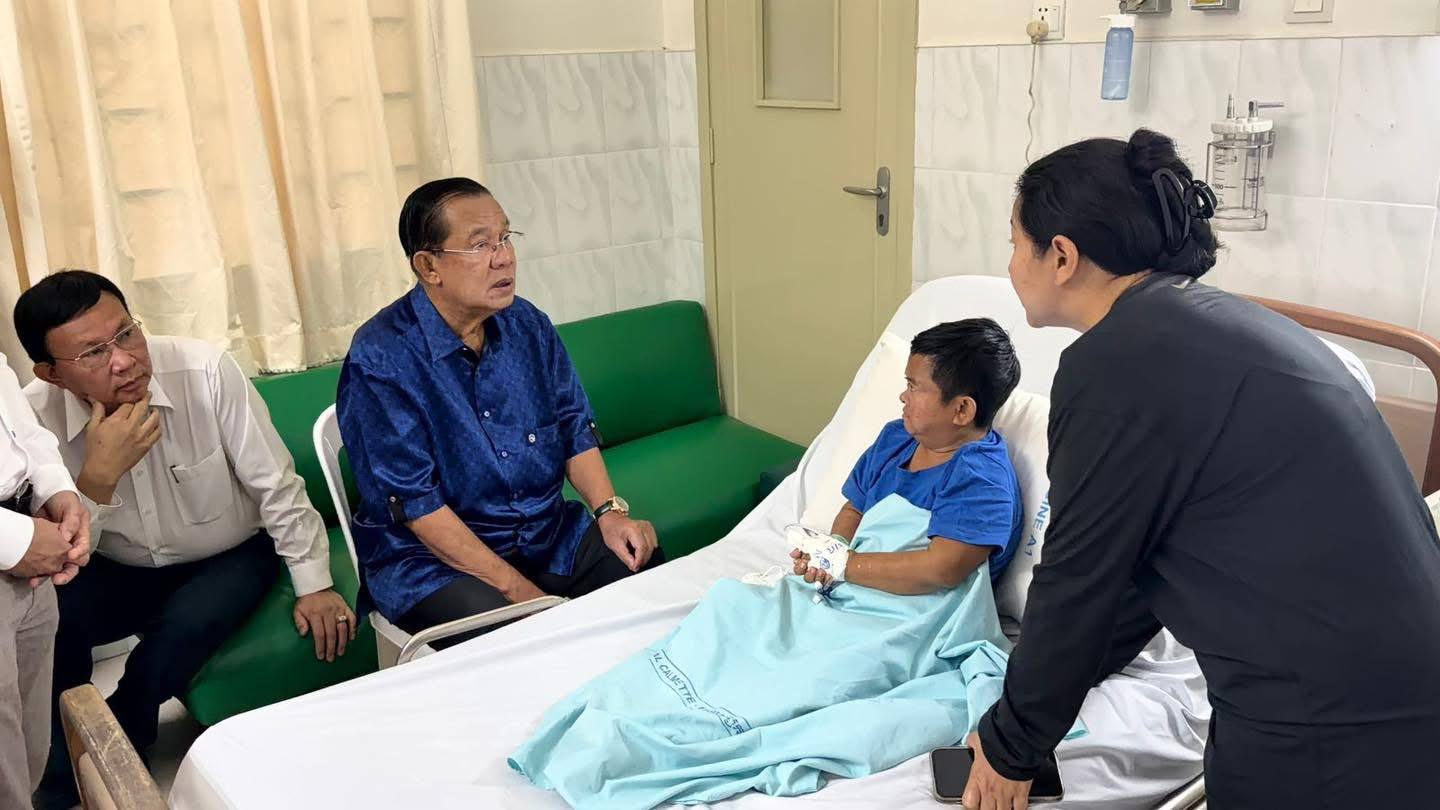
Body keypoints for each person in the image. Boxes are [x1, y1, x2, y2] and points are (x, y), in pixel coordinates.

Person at [961, 129, 1440, 809]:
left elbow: (1077, 581)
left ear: (1061, 256)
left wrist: (1010, 748)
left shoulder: (1114, 366)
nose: (1011, 265)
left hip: (1325, 727)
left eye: (1015, 243)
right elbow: (1129, 577)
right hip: (1402, 697)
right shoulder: (1220, 325)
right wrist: (1029, 714)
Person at [17, 270, 357, 808]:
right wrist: (99, 478)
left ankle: (125, 725)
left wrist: (314, 582)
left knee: (189, 622)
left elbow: (274, 482)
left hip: (228, 553)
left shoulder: (203, 370)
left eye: (126, 333)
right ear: (52, 373)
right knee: (47, 608)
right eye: (93, 354)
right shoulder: (33, 416)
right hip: (116, 562)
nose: (124, 360)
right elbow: (61, 550)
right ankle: (59, 754)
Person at [337, 177, 663, 649]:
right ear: (428, 266)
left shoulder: (527, 324)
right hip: (433, 562)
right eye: (480, 245)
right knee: (522, 646)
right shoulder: (381, 358)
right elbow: (417, 505)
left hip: (545, 535)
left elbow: (573, 427)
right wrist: (524, 596)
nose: (504, 257)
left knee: (644, 575)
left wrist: (610, 513)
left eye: (505, 238)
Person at [791, 319, 1024, 595]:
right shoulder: (895, 438)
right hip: (857, 587)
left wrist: (844, 564)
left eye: (914, 387)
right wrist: (831, 552)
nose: (903, 396)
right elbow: (854, 509)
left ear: (962, 409)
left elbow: (941, 570)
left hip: (915, 610)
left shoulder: (983, 479)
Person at [0, 352, 89, 810]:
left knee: (27, 751)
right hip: (18, 541)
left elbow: (19, 428)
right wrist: (16, 540)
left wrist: (57, 490)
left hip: (29, 541)